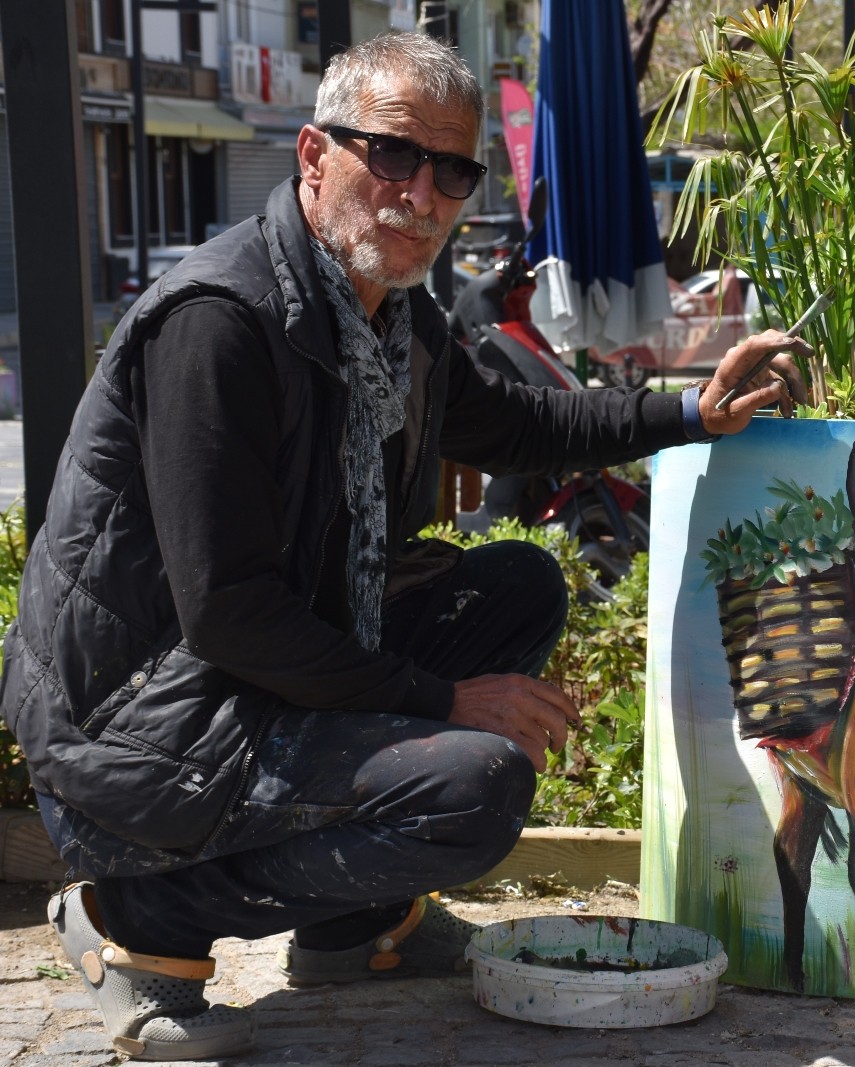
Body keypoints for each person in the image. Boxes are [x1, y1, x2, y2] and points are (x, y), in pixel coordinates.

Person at [0, 32, 804, 1062]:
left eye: (453, 169)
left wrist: (692, 405)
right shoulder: (222, 324)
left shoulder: (391, 319)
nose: (422, 193)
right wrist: (445, 703)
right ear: (312, 155)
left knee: (515, 583)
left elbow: (517, 425)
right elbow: (228, 609)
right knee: (472, 788)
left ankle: (350, 927)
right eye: (392, 156)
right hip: (136, 725)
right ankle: (134, 915)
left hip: (246, 671)